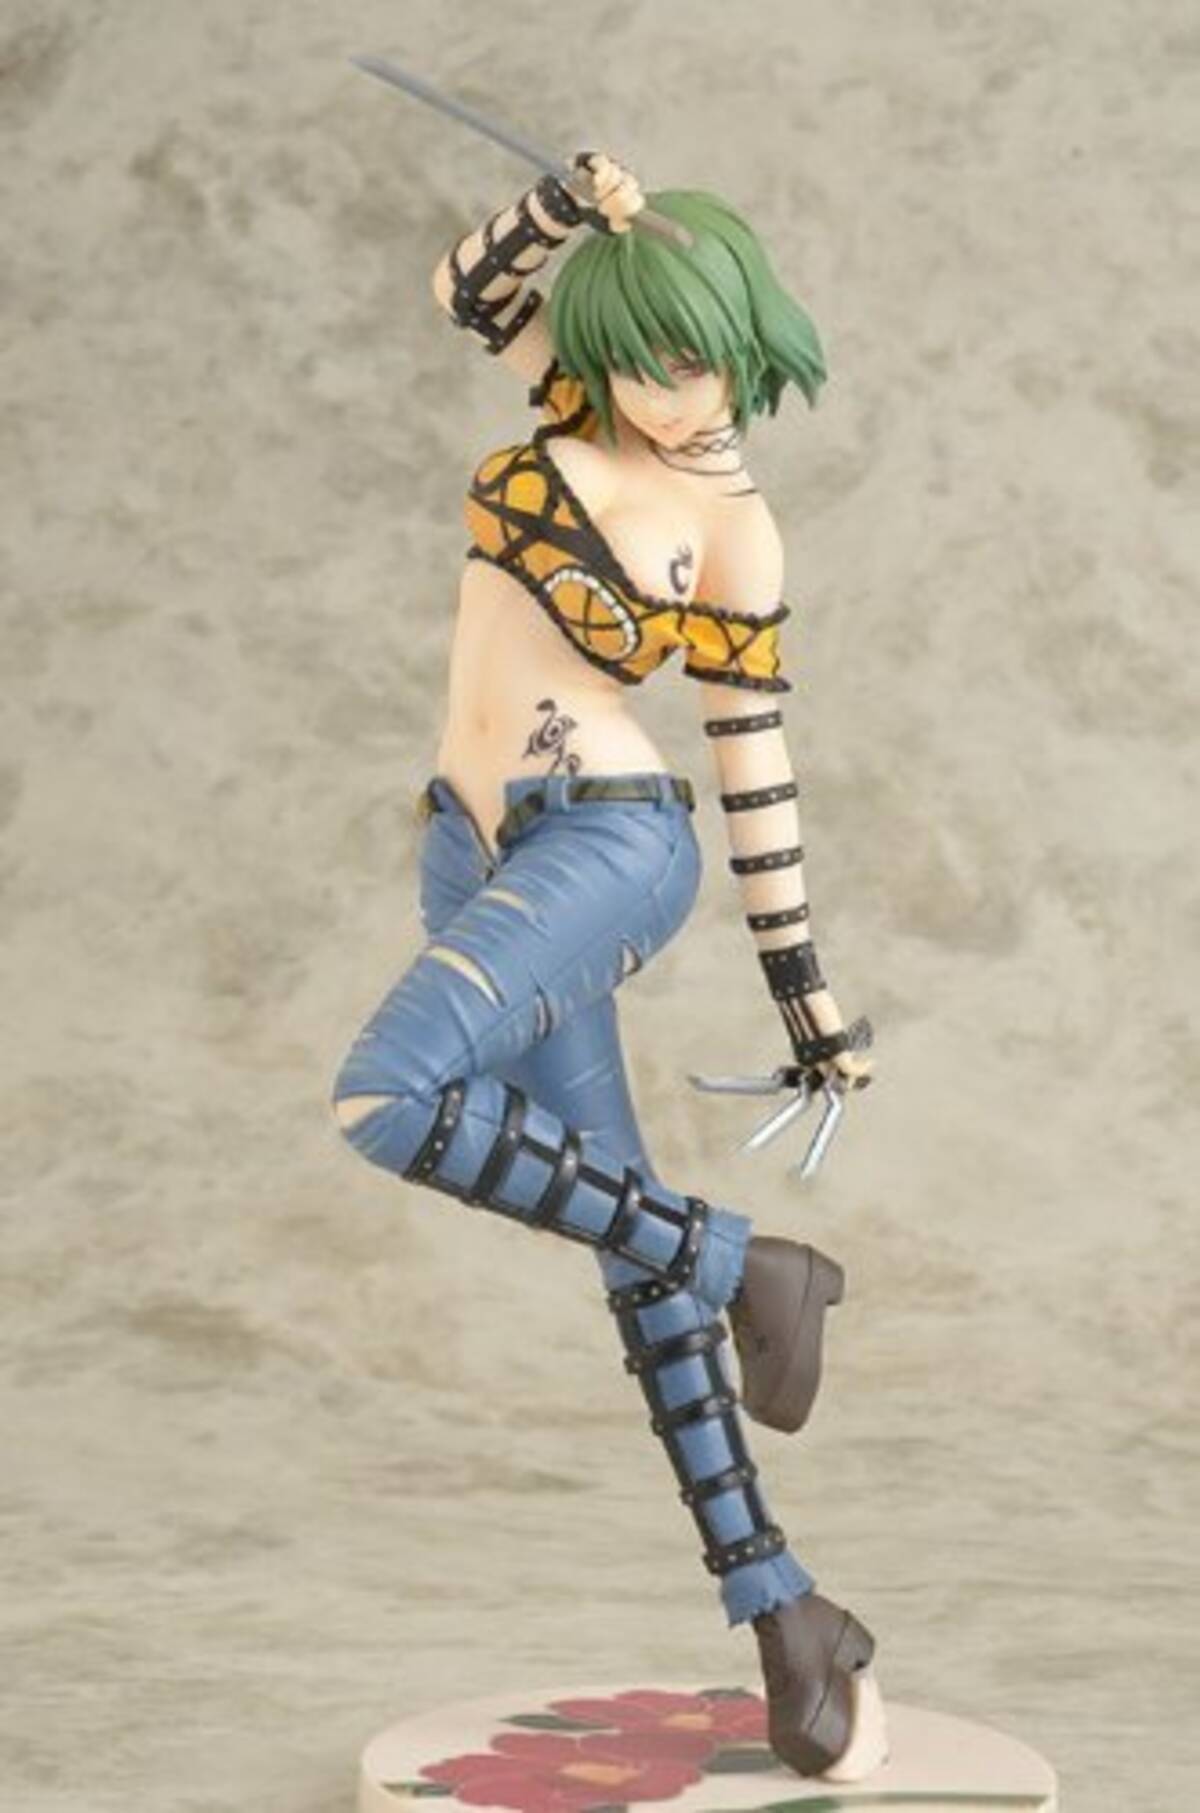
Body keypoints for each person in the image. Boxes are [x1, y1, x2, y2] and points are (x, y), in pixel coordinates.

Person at [330, 151, 888, 1780]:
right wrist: (563, 205)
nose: (658, 385)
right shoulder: (575, 401)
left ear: (744, 339)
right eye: (635, 353)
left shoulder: (734, 530)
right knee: (629, 1253)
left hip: (610, 840)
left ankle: (750, 1264)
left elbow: (752, 764)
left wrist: (806, 989)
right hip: (470, 840)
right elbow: (465, 288)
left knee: (386, 1096)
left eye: (689, 355)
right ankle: (785, 1606)